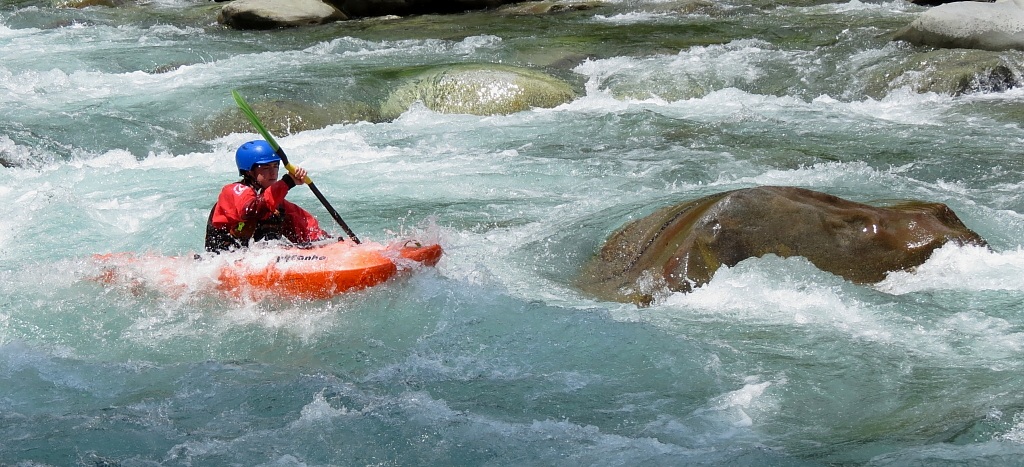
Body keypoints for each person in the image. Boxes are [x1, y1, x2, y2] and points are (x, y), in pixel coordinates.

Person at [205, 140, 331, 253]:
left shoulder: (276, 201)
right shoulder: (233, 191)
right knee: (267, 210)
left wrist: (328, 243)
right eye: (265, 167)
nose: (273, 172)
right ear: (249, 171)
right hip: (225, 257)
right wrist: (287, 182)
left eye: (275, 166)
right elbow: (251, 210)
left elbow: (307, 226)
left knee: (280, 213)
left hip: (261, 257)